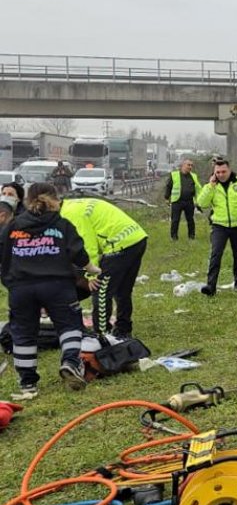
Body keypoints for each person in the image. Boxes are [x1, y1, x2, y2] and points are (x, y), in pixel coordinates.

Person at [0, 183, 100, 399]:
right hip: (58, 286)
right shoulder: (62, 224)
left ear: (27, 200)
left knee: (23, 334)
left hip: (21, 287)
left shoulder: (14, 226)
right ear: (56, 200)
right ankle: (71, 363)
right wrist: (91, 268)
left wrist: (11, 282)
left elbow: (3, 256)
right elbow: (78, 253)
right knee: (69, 326)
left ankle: (28, 384)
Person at [60, 197, 148, 339]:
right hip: (136, 238)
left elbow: (87, 246)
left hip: (118, 243)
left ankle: (102, 334)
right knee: (122, 290)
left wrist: (91, 276)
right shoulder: (72, 205)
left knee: (100, 290)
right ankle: (123, 329)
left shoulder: (70, 215)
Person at [196, 157, 237, 295]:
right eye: (218, 172)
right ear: (214, 173)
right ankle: (210, 287)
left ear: (229, 170)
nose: (221, 175)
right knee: (215, 254)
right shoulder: (211, 186)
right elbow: (202, 203)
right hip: (220, 226)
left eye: (223, 171)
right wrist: (210, 186)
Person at [165, 159, 201, 241]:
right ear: (183, 165)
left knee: (190, 220)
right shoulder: (174, 175)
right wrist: (167, 198)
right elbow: (168, 186)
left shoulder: (194, 176)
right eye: (188, 165)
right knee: (175, 220)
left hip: (189, 201)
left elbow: (198, 189)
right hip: (177, 201)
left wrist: (199, 201)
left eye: (191, 165)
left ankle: (191, 237)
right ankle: (174, 237)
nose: (190, 167)